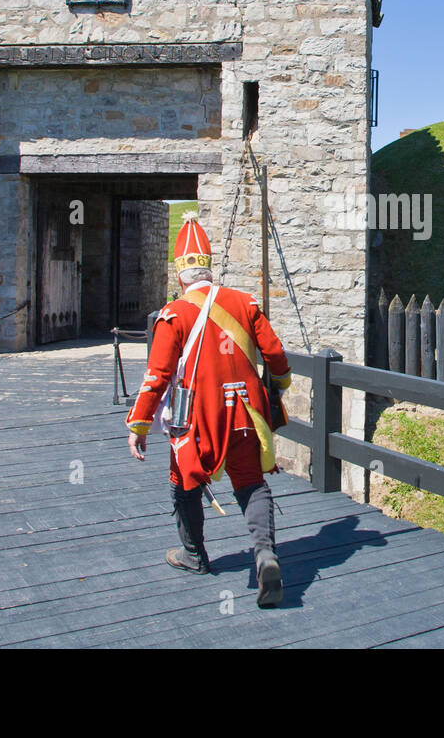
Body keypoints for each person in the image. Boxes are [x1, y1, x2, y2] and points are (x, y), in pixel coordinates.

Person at [125, 212, 293, 607]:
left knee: (183, 480)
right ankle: (265, 556)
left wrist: (140, 422)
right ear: (208, 268)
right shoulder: (243, 301)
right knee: (250, 482)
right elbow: (275, 353)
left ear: (180, 275)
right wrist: (281, 384)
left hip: (200, 417)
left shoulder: (174, 314)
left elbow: (158, 375)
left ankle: (194, 555)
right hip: (247, 413)